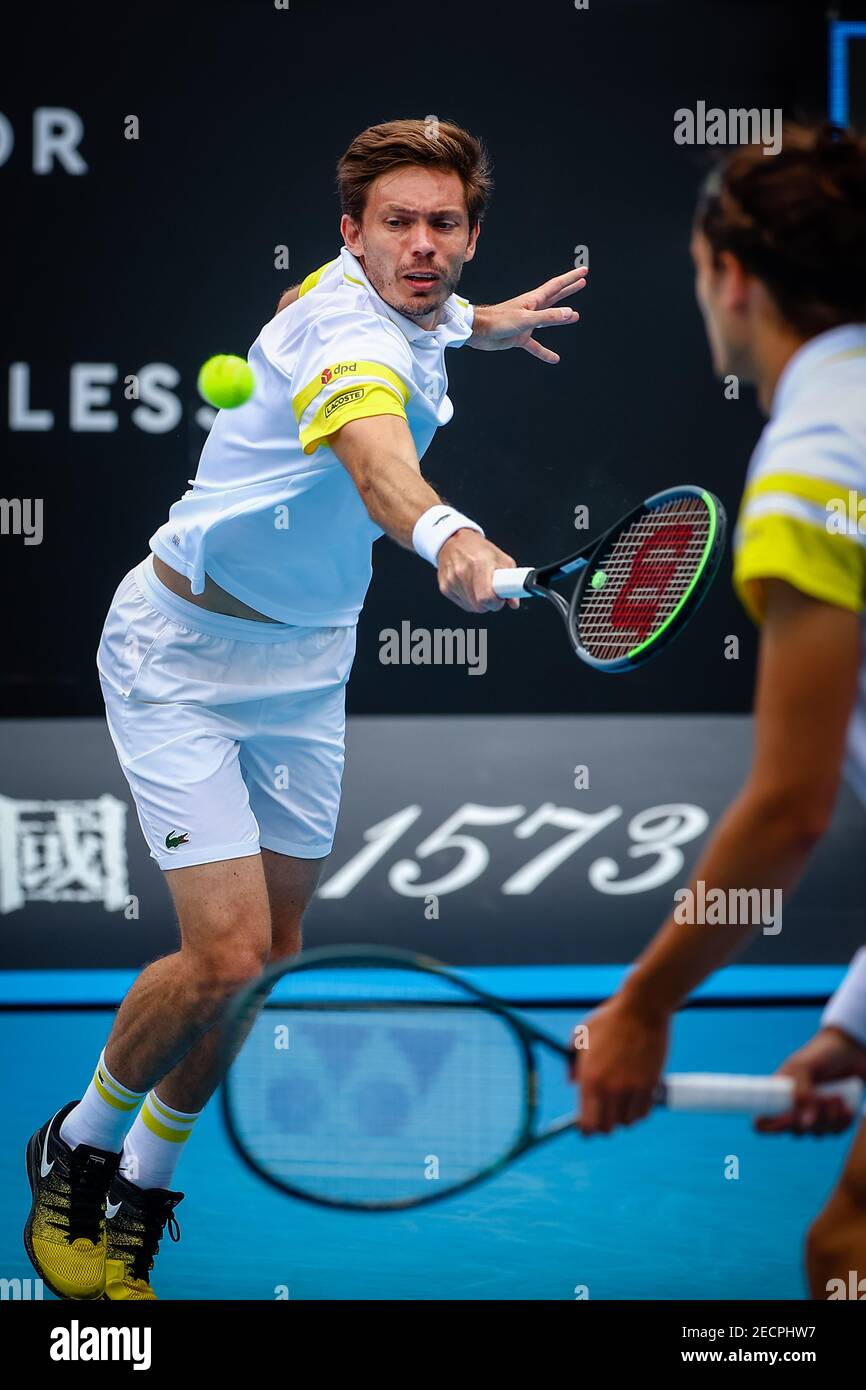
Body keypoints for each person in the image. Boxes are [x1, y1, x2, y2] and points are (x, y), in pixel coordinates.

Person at [23, 117, 587, 1300]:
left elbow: (430, 320)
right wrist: (453, 537)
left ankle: (143, 1181)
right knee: (220, 953)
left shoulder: (419, 299)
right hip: (181, 652)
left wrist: (488, 326)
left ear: (470, 237)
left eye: (443, 225)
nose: (420, 245)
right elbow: (383, 465)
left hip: (307, 666)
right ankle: (77, 1147)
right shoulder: (336, 326)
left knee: (266, 960)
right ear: (351, 234)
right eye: (396, 224)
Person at [572, 122, 866, 1300]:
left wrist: (641, 1005)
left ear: (732, 280)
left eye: (700, 276)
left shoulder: (814, 455)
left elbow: (790, 809)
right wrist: (850, 1031)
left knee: (845, 1257)